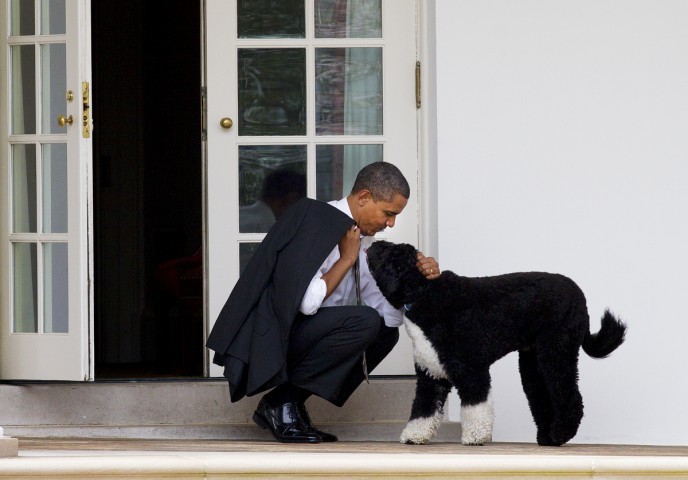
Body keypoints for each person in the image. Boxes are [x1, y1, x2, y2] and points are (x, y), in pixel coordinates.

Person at [206, 162, 440, 443]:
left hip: (308, 335)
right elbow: (306, 303)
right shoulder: (314, 220)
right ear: (364, 197)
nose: (391, 223)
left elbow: (386, 314)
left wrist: (417, 282)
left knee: (384, 333)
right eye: (388, 213)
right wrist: (346, 259)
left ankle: (285, 401)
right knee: (364, 321)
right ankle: (280, 404)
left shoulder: (360, 239)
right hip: (270, 339)